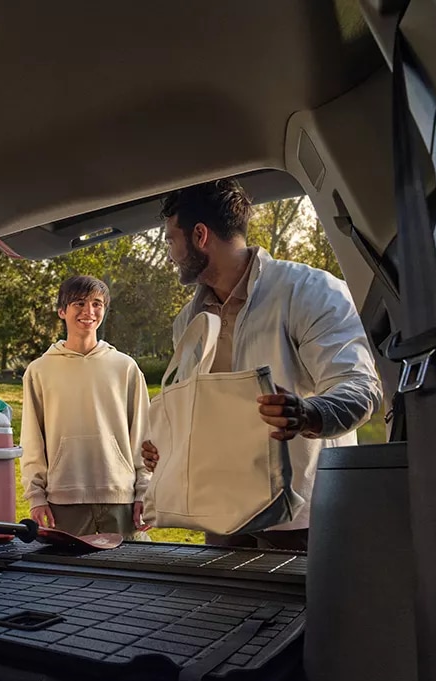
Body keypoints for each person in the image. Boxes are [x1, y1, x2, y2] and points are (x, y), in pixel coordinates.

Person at [141, 179, 381, 551]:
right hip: (220, 514)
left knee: (296, 611)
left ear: (200, 235)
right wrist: (167, 447)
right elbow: (197, 414)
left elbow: (360, 387)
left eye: (172, 239)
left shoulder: (311, 291)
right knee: (218, 611)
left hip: (299, 518)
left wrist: (308, 413)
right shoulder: (187, 323)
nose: (171, 252)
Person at [20, 274, 153, 540]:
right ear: (61, 311)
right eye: (78, 303)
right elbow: (32, 439)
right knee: (71, 579)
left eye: (97, 303)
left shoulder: (125, 367)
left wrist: (146, 492)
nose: (88, 311)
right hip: (63, 501)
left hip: (120, 499)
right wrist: (36, 496)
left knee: (129, 576)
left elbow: (143, 434)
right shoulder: (39, 371)